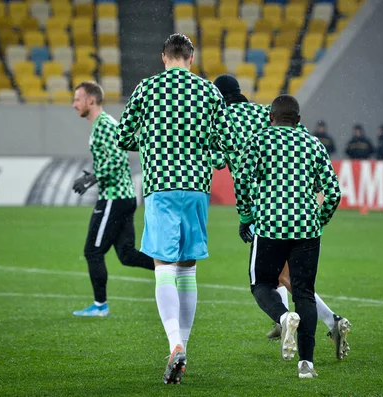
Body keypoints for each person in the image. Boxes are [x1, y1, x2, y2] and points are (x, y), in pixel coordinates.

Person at [117, 34, 240, 385]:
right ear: (191, 57)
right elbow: (227, 142)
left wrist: (155, 138)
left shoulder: (147, 88)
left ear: (164, 57)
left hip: (162, 186)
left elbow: (124, 136)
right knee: (187, 269)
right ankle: (182, 345)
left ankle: (174, 344)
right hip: (197, 189)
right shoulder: (209, 92)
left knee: (162, 265)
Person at [212, 75, 351, 360]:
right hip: (295, 203)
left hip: (264, 207)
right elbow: (291, 132)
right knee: (290, 277)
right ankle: (308, 323)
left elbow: (217, 162)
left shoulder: (221, 120)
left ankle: (299, 318)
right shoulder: (264, 111)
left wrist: (245, 214)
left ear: (218, 95)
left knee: (271, 278)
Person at [235, 95, 342, 379]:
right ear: (298, 120)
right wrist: (319, 219)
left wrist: (246, 217)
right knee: (304, 293)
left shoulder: (258, 141)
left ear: (271, 117)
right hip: (307, 230)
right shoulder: (314, 144)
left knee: (261, 284)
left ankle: (283, 317)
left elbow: (242, 180)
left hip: (271, 226)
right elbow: (334, 193)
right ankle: (306, 364)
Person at [70, 81, 155, 317]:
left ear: (91, 100)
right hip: (124, 196)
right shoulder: (101, 125)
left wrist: (93, 178)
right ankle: (170, 271)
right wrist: (93, 176)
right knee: (126, 255)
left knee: (93, 252)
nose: (74, 104)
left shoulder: (105, 125)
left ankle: (100, 306)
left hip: (113, 197)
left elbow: (119, 159)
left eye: (78, 99)